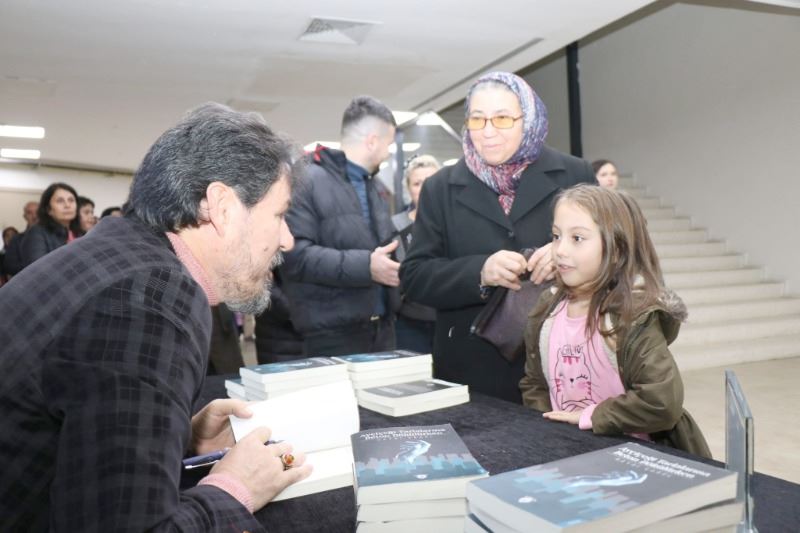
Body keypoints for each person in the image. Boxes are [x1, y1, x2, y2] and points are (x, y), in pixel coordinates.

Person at [0, 103, 311, 531]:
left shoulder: (121, 257)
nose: (287, 240)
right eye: (279, 215)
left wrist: (181, 437)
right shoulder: (152, 298)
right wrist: (234, 490)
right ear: (221, 207)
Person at [400, 71, 594, 403]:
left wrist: (567, 253)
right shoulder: (440, 188)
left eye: (502, 118)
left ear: (528, 119)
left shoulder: (575, 174)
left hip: (565, 364)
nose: (488, 132)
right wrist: (480, 271)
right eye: (477, 119)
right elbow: (415, 276)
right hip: (472, 370)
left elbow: (614, 250)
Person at [520, 184, 711, 457]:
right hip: (570, 454)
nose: (559, 250)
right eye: (556, 236)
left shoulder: (632, 317)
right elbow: (535, 383)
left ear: (617, 249)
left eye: (577, 238)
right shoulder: (546, 310)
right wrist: (550, 426)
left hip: (632, 457)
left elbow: (661, 401)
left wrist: (593, 416)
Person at [281, 95, 399, 357]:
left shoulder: (374, 187)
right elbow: (294, 256)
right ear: (372, 141)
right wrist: (366, 266)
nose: (389, 152)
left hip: (382, 331)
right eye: (389, 144)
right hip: (332, 336)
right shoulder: (306, 181)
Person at [392, 155, 441, 354]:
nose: (424, 188)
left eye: (430, 181)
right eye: (417, 183)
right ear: (408, 188)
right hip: (410, 323)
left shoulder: (457, 223)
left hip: (448, 320)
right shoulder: (395, 225)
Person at [20, 182, 80, 268]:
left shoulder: (80, 233)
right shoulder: (37, 233)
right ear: (48, 209)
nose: (67, 205)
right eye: (60, 201)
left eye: (71, 200)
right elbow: (38, 270)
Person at [2, 200, 38, 276]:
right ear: (25, 216)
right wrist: (34, 266)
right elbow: (9, 266)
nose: (34, 216)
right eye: (29, 213)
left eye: (37, 212)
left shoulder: (53, 236)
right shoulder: (16, 240)